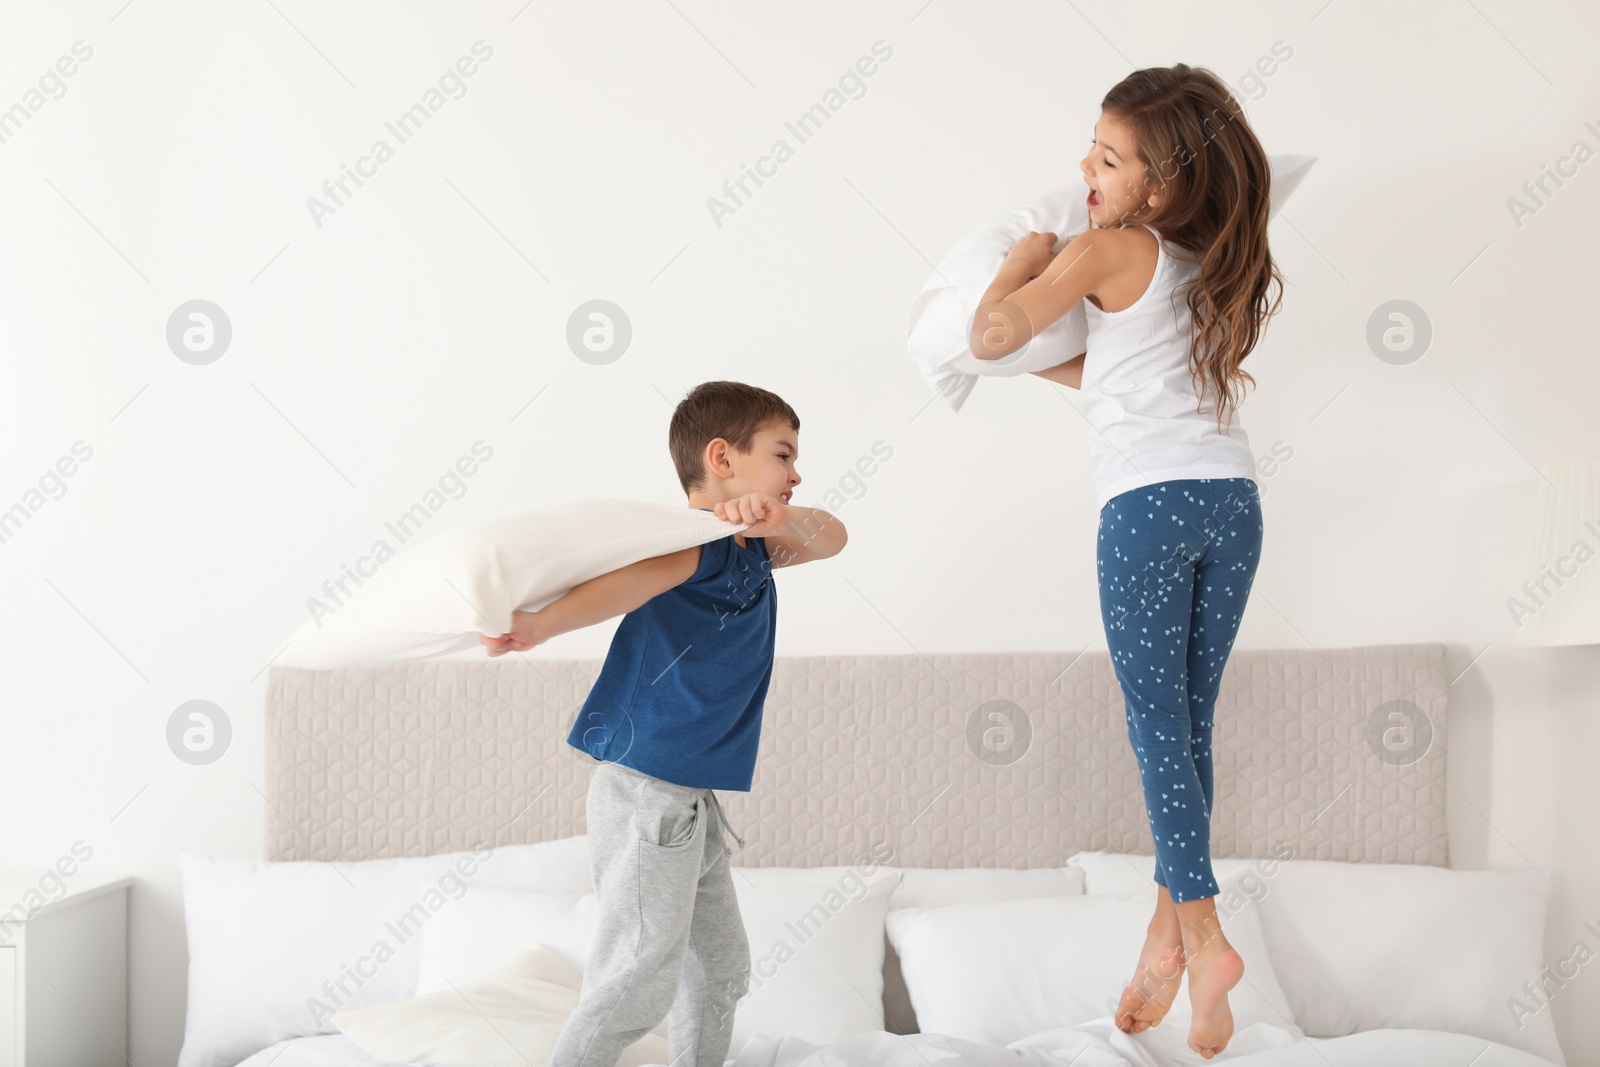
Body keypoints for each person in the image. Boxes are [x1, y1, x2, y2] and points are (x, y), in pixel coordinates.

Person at [969, 63, 1282, 1060]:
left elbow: (990, 333)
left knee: (1157, 727)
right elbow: (1110, 374)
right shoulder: (1211, 265)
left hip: (1145, 511)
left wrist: (1023, 253)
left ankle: (1202, 931)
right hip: (1232, 503)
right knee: (1185, 727)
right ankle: (1162, 942)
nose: (1083, 169)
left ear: (1157, 189)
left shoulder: (1108, 248)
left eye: (1105, 159)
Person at [481, 380, 847, 1067]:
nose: (796, 473)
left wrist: (779, 519)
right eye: (782, 454)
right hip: (648, 792)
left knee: (721, 967)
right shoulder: (698, 545)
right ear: (723, 457)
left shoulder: (757, 548)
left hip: (689, 798)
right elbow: (627, 585)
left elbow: (836, 536)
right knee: (637, 977)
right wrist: (539, 624)